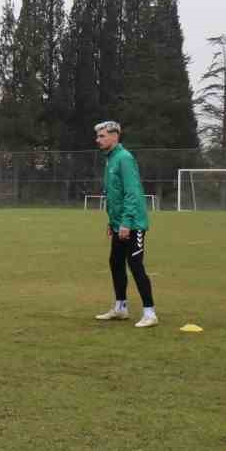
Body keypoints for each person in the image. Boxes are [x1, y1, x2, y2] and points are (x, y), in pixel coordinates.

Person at [93, 120, 158, 328]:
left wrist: (127, 223)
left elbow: (132, 193)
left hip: (133, 223)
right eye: (98, 136)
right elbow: (114, 195)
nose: (98, 140)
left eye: (102, 136)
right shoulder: (110, 160)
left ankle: (150, 313)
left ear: (115, 136)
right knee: (115, 263)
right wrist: (112, 223)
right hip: (118, 223)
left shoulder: (124, 158)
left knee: (136, 265)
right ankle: (120, 308)